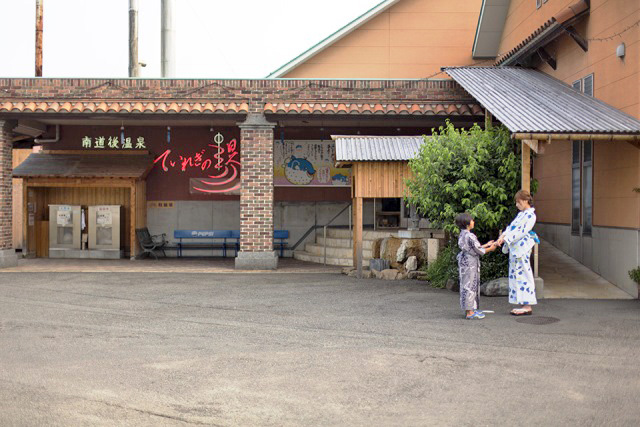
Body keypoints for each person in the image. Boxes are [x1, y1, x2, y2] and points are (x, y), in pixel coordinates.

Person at [496, 190, 539, 316]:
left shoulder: (530, 215)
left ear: (525, 201)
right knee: (517, 274)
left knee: (524, 275)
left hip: (522, 249)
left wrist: (505, 238)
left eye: (518, 202)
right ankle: (523, 303)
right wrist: (503, 236)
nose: (517, 205)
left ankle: (527, 305)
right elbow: (511, 228)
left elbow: (520, 231)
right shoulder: (522, 214)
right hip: (516, 248)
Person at [455, 213, 498, 320]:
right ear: (467, 223)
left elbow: (472, 248)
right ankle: (470, 312)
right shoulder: (470, 236)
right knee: (470, 286)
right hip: (470, 263)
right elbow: (478, 251)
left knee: (466, 285)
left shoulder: (462, 234)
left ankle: (469, 309)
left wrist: (486, 244)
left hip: (465, 262)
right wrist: (491, 248)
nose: (473, 222)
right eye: (472, 220)